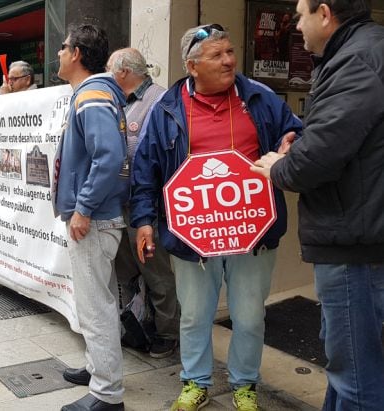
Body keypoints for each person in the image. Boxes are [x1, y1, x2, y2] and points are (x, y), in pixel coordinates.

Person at [130, 24, 302, 411]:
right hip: (192, 236)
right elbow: (146, 171)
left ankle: (244, 386)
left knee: (249, 318)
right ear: (193, 66)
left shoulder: (260, 99)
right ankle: (195, 382)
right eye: (217, 55)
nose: (229, 60)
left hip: (252, 232)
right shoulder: (168, 111)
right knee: (193, 317)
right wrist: (143, 219)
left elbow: (297, 134)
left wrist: (293, 145)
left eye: (230, 52)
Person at [251, 1, 384, 409]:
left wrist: (279, 167)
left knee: (357, 378)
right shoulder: (362, 52)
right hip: (359, 233)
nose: (296, 24)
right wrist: (302, 142)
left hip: (354, 244)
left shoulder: (357, 60)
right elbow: (348, 138)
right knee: (351, 370)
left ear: (324, 14)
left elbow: (318, 160)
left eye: (300, 14)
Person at [54, 24, 128, 411]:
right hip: (98, 218)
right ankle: (97, 367)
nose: (59, 54)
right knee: (98, 302)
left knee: (96, 307)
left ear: (78, 53)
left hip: (94, 219)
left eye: (64, 48)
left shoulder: (93, 93)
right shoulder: (92, 93)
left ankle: (106, 394)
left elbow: (109, 157)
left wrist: (82, 209)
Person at [108, 48, 180, 359]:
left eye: (111, 69)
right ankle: (136, 324)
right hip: (119, 204)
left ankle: (166, 333)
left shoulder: (159, 101)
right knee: (125, 270)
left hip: (147, 207)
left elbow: (160, 157)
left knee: (155, 271)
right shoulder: (117, 101)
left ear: (123, 72)